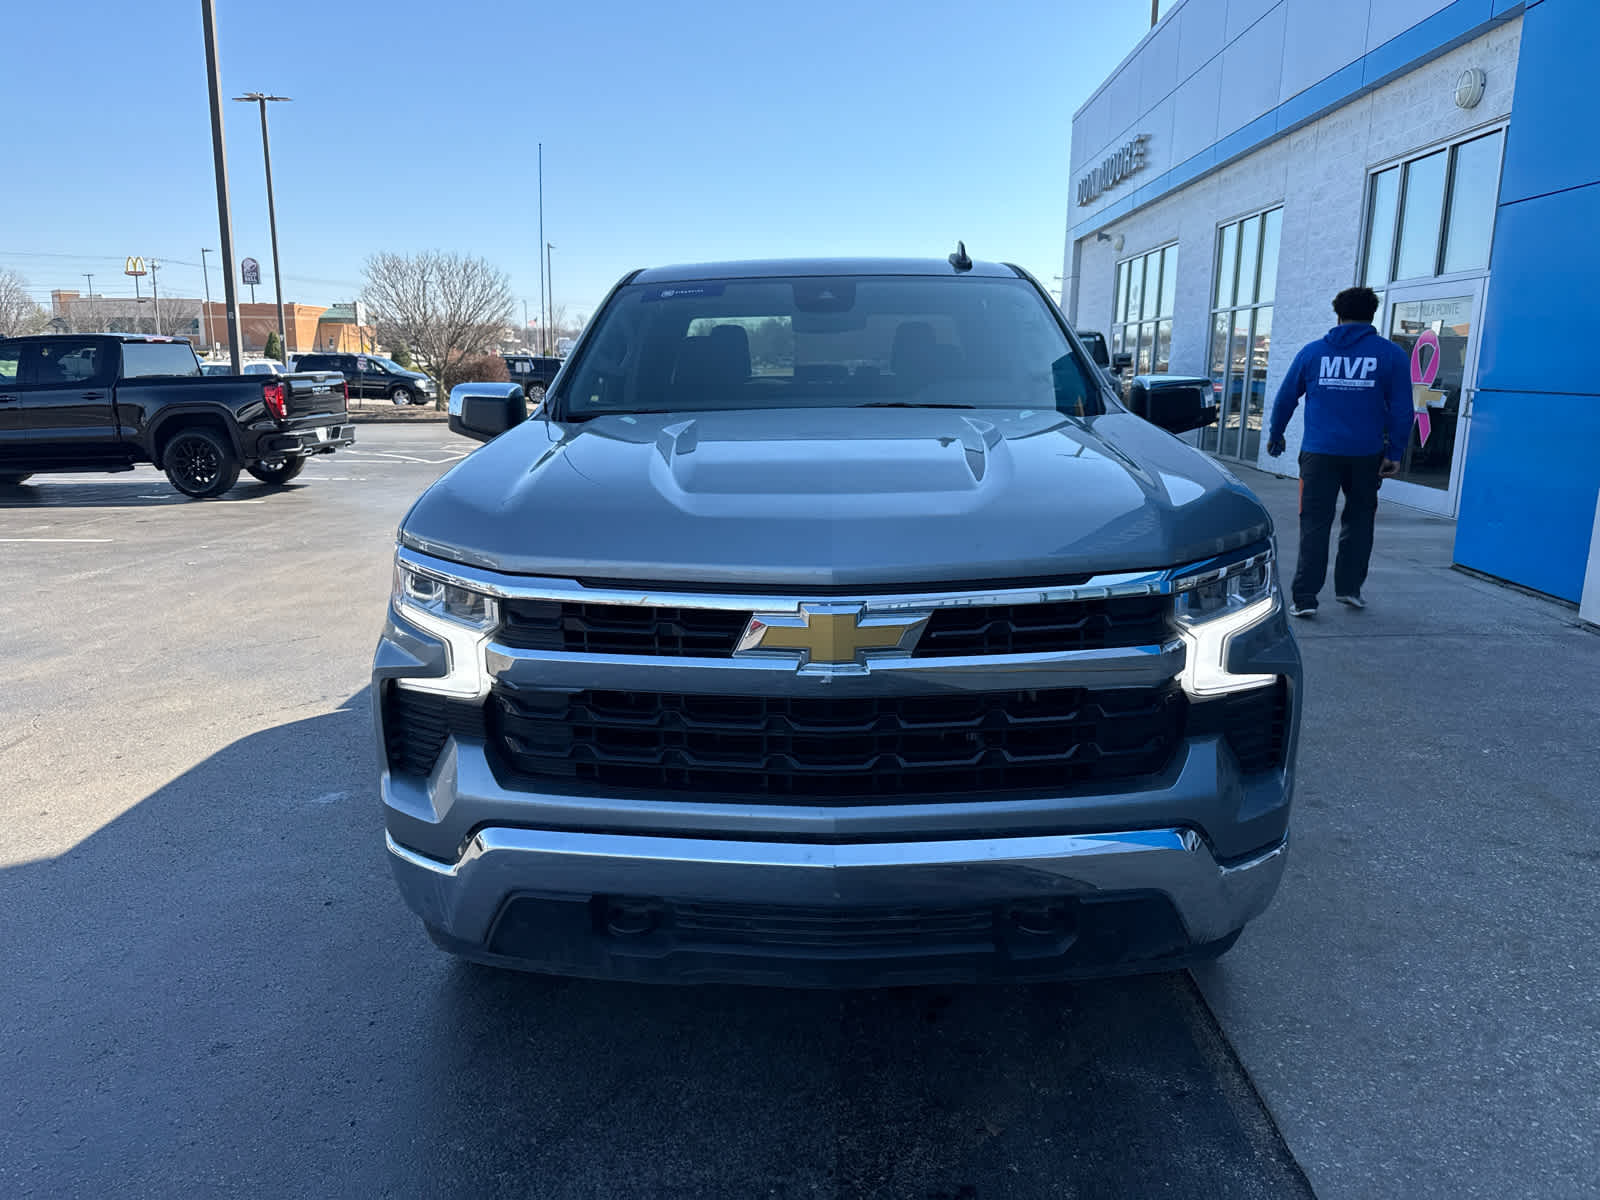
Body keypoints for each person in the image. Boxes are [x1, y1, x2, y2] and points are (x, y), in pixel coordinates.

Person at [1266, 286, 1413, 617]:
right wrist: (1395, 452)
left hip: (1319, 454)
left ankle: (1305, 598)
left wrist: (1276, 435)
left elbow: (1286, 397)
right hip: (1367, 455)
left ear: (1338, 315)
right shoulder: (1391, 355)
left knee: (1314, 524)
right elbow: (1403, 409)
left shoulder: (1313, 353)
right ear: (1372, 315)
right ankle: (1349, 589)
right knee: (1360, 521)